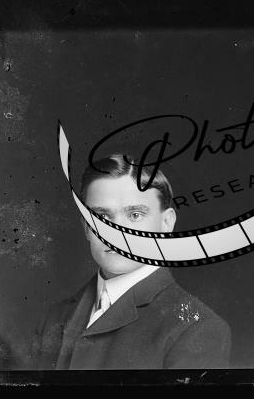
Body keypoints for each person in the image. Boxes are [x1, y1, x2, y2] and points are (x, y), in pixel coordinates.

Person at [35, 154, 231, 369]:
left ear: (166, 223)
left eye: (135, 215)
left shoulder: (196, 328)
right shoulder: (55, 317)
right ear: (86, 228)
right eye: (102, 217)